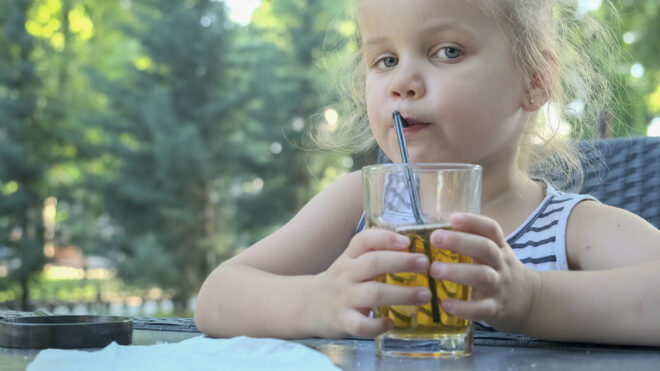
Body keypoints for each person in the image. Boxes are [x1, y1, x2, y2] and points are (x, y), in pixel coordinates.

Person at [194, 0, 660, 345]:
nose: (401, 82)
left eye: (448, 51)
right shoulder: (360, 203)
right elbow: (217, 298)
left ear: (534, 81)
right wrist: (319, 302)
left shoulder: (568, 227)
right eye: (386, 60)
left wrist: (533, 299)